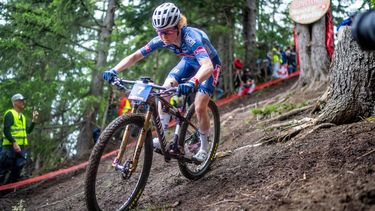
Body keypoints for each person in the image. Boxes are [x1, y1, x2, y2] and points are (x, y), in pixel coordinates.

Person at [102, 2, 221, 162]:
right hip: (188, 62)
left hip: (209, 64)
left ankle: (205, 148)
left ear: (178, 26)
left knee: (200, 107)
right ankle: (163, 137)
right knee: (163, 92)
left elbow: (207, 65)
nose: (163, 37)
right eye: (159, 32)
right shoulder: (162, 38)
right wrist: (114, 70)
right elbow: (136, 56)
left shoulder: (191, 38)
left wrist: (193, 82)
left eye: (167, 32)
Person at [0, 93, 38, 184]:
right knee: (2, 171)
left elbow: (27, 131)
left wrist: (33, 121)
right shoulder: (10, 114)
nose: (23, 102)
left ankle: (7, 192)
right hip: (9, 148)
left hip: (20, 148)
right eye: (20, 100)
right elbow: (6, 130)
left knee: (16, 171)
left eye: (23, 100)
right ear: (15, 102)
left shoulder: (23, 117)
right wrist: (14, 142)